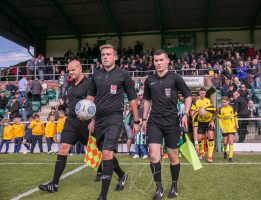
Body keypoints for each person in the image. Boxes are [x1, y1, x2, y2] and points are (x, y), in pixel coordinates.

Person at [86, 44, 140, 200]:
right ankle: (122, 175)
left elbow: (132, 99)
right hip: (99, 119)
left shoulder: (123, 75)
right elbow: (90, 98)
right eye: (103, 54)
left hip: (115, 118)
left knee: (107, 152)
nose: (105, 57)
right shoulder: (95, 75)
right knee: (104, 153)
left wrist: (136, 121)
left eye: (108, 54)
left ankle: (103, 196)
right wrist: (90, 117)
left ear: (115, 57)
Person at [142, 49, 192, 199]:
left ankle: (174, 185)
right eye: (156, 61)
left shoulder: (175, 78)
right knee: (153, 155)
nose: (158, 63)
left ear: (167, 60)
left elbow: (188, 96)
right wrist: (144, 119)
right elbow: (147, 101)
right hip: (154, 122)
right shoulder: (149, 80)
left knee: (173, 156)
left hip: (171, 122)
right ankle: (159, 189)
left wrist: (185, 114)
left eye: (161, 60)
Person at [38, 60, 91, 193]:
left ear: (80, 69)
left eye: (73, 70)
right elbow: (70, 101)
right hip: (71, 121)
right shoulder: (71, 85)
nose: (70, 73)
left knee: (93, 150)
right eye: (69, 71)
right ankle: (54, 184)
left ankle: (112, 172)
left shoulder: (89, 83)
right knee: (63, 148)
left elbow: (93, 103)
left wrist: (92, 120)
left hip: (85, 122)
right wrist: (61, 106)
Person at [191, 88, 216, 163]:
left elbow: (215, 111)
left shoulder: (208, 102)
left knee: (211, 135)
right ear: (199, 93)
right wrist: (195, 143)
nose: (203, 94)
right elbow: (194, 130)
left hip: (208, 122)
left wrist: (212, 121)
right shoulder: (196, 102)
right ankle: (201, 151)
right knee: (198, 138)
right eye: (201, 93)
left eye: (204, 93)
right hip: (200, 123)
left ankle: (210, 156)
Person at [218, 96, 238, 162]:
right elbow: (220, 119)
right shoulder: (221, 109)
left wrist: (236, 124)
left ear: (228, 101)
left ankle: (230, 157)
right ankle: (225, 152)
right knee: (225, 142)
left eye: (225, 102)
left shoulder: (232, 108)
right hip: (224, 128)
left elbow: (235, 117)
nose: (223, 103)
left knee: (231, 141)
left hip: (232, 127)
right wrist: (221, 127)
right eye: (222, 102)